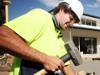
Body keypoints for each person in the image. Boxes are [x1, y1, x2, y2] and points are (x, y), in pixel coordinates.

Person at [0, 0, 84, 75]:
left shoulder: (59, 38)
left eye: (75, 22)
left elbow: (65, 66)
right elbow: (2, 36)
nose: (72, 24)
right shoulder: (42, 17)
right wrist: (45, 59)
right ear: (62, 8)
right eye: (71, 18)